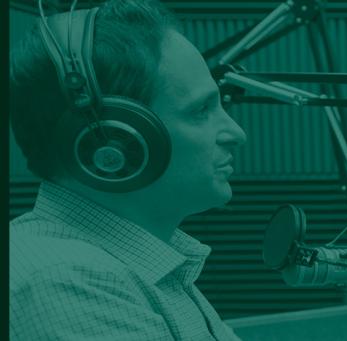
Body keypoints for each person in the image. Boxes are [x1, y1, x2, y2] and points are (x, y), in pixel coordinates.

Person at [9, 0, 248, 339]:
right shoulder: (67, 282)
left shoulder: (142, 267)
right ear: (113, 141)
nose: (237, 134)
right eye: (200, 111)